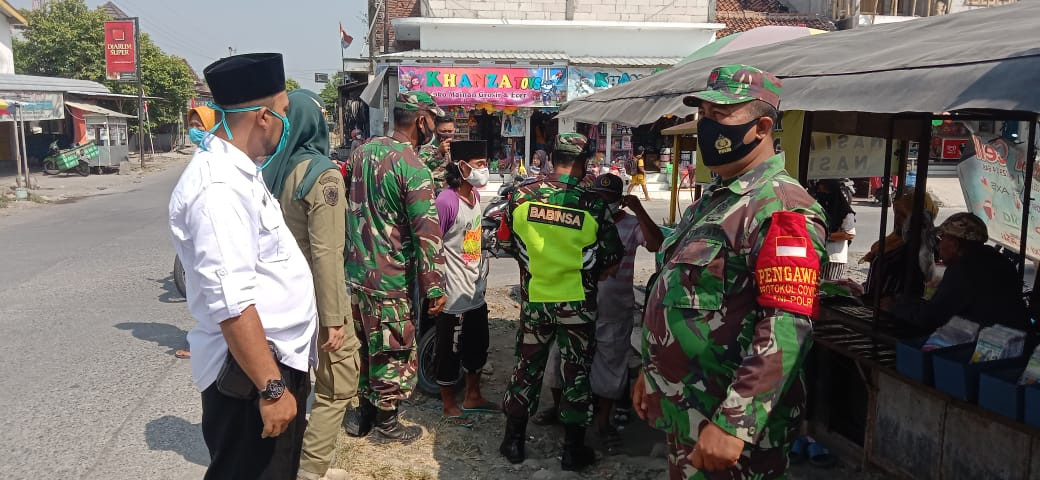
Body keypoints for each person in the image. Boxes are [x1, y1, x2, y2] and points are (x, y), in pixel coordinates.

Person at [634, 64, 828, 480]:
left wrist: (736, 423)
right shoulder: (715, 201)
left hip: (728, 422)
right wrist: (650, 373)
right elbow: (672, 293)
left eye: (719, 116)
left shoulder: (782, 208)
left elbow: (788, 324)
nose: (704, 126)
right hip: (686, 409)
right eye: (702, 114)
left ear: (760, 127)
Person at [169, 52, 316, 479]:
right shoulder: (218, 187)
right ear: (264, 117)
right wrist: (272, 389)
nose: (288, 121)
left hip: (270, 363)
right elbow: (231, 302)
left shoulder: (240, 174)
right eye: (284, 111)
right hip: (252, 377)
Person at [251, 89, 359, 480]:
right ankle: (311, 468)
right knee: (340, 383)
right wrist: (334, 318)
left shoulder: (272, 169)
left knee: (293, 379)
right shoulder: (321, 174)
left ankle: (285, 458)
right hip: (318, 296)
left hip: (280, 299)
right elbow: (327, 253)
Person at [499, 133, 623, 471]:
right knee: (576, 374)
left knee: (526, 369)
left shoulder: (520, 197)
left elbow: (507, 246)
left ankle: (513, 443)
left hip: (536, 303)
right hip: (577, 307)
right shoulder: (593, 204)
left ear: (553, 158)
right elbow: (612, 257)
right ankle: (572, 450)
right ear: (583, 163)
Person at [532, 174, 664, 456]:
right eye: (598, 197)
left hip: (614, 310)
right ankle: (560, 410)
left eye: (609, 199)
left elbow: (656, 244)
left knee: (610, 368)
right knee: (558, 364)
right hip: (575, 304)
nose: (603, 203)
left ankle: (603, 424)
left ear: (620, 201)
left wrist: (639, 209)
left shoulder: (629, 224)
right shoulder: (582, 219)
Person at [342, 91, 447, 443]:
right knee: (393, 347)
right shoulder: (412, 168)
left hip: (358, 274)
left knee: (367, 345)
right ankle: (387, 422)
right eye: (432, 119)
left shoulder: (362, 152)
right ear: (421, 120)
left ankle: (364, 414)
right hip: (390, 277)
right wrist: (434, 287)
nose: (433, 126)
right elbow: (426, 234)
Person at [434, 140, 499, 428]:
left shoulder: (474, 196)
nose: (484, 169)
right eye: (479, 164)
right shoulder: (446, 201)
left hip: (475, 288)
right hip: (453, 293)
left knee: (477, 346)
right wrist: (436, 289)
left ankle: (473, 395)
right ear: (462, 167)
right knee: (449, 349)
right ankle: (448, 403)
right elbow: (432, 245)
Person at [901, 212, 1029, 332]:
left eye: (942, 238)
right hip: (1014, 336)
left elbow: (930, 318)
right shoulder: (998, 260)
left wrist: (897, 307)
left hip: (991, 344)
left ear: (955, 244)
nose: (938, 245)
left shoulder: (964, 269)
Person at [814, 179, 856, 280]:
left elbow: (849, 234)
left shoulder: (845, 212)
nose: (822, 195)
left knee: (828, 289)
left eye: (824, 192)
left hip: (834, 258)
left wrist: (826, 236)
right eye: (819, 191)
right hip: (818, 256)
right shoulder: (820, 209)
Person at [418, 116, 456, 192]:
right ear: (435, 131)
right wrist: (439, 154)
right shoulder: (425, 151)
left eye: (450, 131)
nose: (447, 134)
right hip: (435, 193)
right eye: (443, 131)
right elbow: (420, 173)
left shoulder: (459, 148)